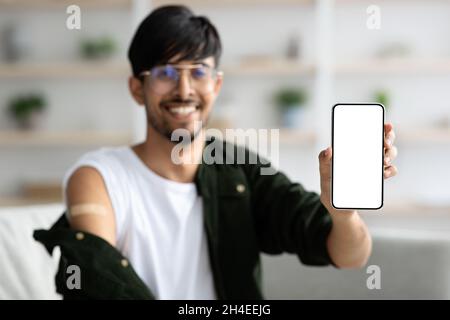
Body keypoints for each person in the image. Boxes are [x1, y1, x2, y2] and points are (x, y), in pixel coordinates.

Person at [34, 5, 398, 300]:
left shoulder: (239, 170)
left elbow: (351, 257)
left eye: (199, 72)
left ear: (216, 84)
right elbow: (100, 280)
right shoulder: (99, 176)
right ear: (136, 88)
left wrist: (342, 213)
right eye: (165, 72)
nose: (184, 89)